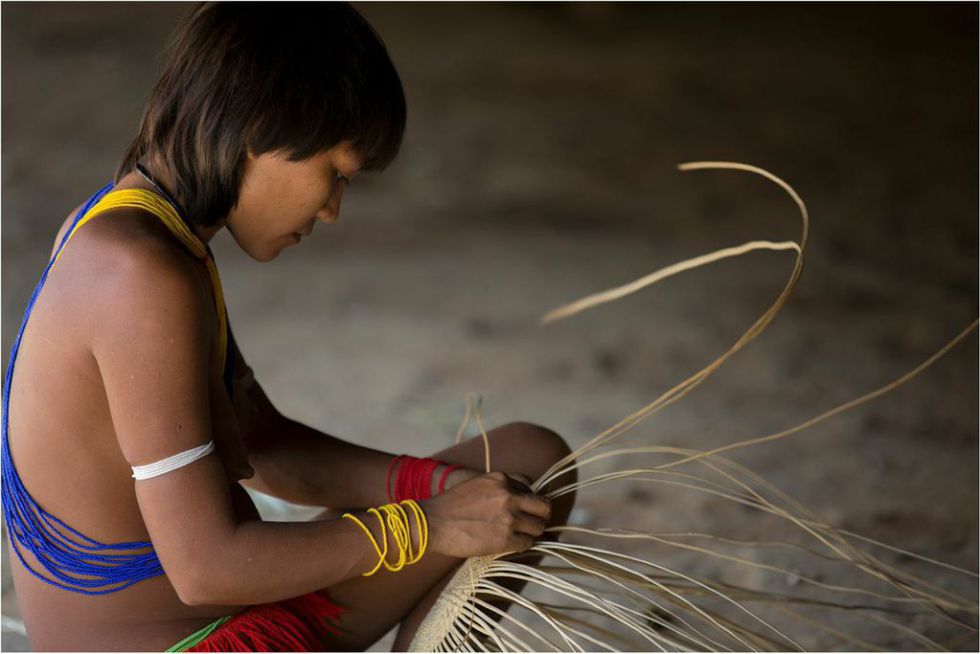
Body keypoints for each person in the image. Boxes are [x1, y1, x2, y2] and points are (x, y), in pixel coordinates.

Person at [2, 3, 576, 651]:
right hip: (199, 641)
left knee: (528, 465)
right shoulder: (137, 274)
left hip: (246, 609)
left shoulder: (145, 235)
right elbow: (206, 567)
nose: (332, 209)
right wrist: (432, 525)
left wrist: (448, 492)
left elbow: (269, 448)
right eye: (334, 174)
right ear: (261, 129)